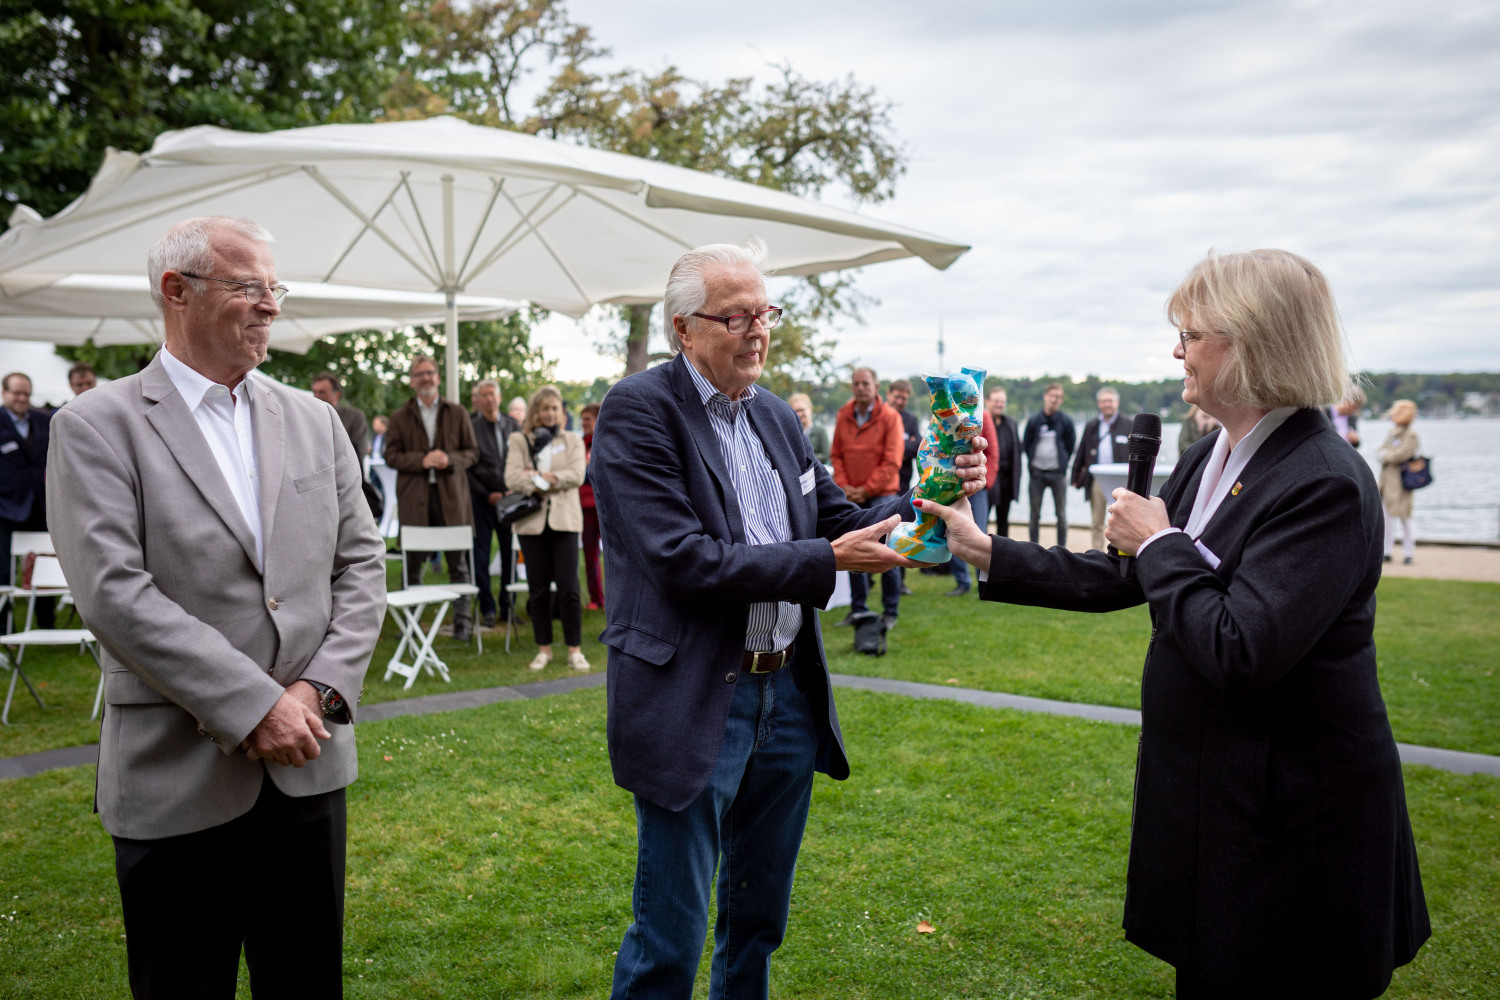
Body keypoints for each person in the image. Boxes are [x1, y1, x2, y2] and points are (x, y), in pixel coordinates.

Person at [920, 248, 1429, 1000]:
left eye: (1189, 333)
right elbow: (1128, 574)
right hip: (1216, 803)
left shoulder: (1323, 478)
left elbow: (1241, 644)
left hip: (1294, 829)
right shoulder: (1210, 453)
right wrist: (987, 550)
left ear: (1250, 341)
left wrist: (1160, 540)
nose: (1176, 350)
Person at [589, 241, 984, 1000]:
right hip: (697, 696)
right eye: (733, 315)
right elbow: (684, 561)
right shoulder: (639, 409)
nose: (756, 329)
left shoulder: (773, 413)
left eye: (764, 311)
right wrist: (826, 561)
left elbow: (839, 518)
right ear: (682, 329)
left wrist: (935, 488)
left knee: (756, 923)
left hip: (786, 698)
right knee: (669, 937)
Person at [45, 216, 387, 999]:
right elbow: (113, 592)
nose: (271, 305)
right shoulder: (96, 426)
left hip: (310, 760)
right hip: (177, 775)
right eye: (249, 288)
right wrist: (252, 704)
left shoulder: (315, 420)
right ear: (176, 292)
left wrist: (316, 693)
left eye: (276, 288)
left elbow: (362, 565)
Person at [384, 354, 479, 642]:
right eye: (419, 374)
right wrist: (421, 460)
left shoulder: (457, 412)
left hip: (452, 500)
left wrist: (448, 459)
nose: (425, 378)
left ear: (437, 377)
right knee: (413, 564)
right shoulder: (400, 417)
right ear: (412, 381)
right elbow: (391, 456)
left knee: (458, 564)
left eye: (430, 373)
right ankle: (411, 623)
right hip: (416, 500)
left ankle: (462, 624)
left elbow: (472, 453)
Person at [505, 385, 589, 672]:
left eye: (555, 408)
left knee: (569, 588)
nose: (550, 413)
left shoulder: (573, 440)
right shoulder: (519, 440)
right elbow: (513, 478)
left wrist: (539, 476)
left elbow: (577, 475)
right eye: (544, 408)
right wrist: (552, 478)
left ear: (561, 412)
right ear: (535, 412)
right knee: (537, 589)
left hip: (564, 521)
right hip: (532, 524)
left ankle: (574, 650)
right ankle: (544, 649)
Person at [831, 366, 905, 629]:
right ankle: (858, 609)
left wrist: (865, 489)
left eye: (865, 383)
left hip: (882, 496)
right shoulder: (843, 414)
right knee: (853, 551)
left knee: (889, 553)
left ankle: (890, 612)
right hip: (851, 494)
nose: (860, 387)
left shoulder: (891, 417)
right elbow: (836, 455)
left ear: (876, 386)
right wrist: (844, 486)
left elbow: (892, 461)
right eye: (856, 383)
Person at [1, 371, 53, 632]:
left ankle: (47, 626)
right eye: (16, 393)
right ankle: (5, 630)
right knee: (3, 572)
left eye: (26, 394)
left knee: (45, 565)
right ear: (4, 393)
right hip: (6, 511)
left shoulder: (44, 421)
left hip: (41, 508)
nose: (22, 398)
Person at [469, 378, 521, 628]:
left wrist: (514, 488)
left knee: (510, 554)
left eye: (493, 394)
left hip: (510, 501)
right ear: (478, 400)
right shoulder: (471, 427)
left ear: (500, 398)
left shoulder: (513, 426)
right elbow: (468, 469)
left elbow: (523, 460)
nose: (489, 398)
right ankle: (487, 609)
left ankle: (508, 607)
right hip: (481, 502)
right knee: (481, 556)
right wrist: (485, 493)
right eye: (484, 395)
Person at [945, 404, 998, 596]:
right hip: (953, 486)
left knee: (980, 533)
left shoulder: (984, 415)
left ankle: (983, 582)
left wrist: (986, 482)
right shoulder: (947, 416)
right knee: (953, 531)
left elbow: (993, 452)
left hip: (978, 487)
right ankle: (962, 582)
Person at [1071, 386, 1126, 550]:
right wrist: (1075, 476)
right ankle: (1097, 552)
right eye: (1103, 401)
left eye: (1110, 401)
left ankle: (1118, 552)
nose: (1107, 404)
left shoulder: (1128, 424)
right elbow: (1082, 450)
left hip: (1121, 480)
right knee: (1097, 521)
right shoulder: (1092, 426)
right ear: (1098, 404)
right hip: (1097, 479)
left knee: (1121, 519)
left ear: (1117, 403)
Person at [1022, 381, 1075, 546]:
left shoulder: (1066, 422)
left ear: (1061, 400)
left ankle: (1061, 550)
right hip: (1037, 473)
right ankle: (1034, 548)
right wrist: (1032, 464)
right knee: (1034, 514)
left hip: (1057, 474)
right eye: (1052, 396)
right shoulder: (1035, 420)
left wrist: (1063, 464)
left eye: (1058, 397)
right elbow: (1027, 443)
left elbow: (1070, 445)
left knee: (1061, 514)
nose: (1054, 399)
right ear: (1046, 397)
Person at [1378, 399, 1421, 565]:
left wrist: (1386, 455)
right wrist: (1387, 454)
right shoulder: (1393, 432)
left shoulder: (1411, 435)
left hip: (1402, 482)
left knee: (1405, 516)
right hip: (1386, 482)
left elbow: (1401, 455)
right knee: (1386, 517)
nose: (1392, 415)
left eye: (1396, 412)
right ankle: (1387, 551)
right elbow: (1381, 450)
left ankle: (1409, 552)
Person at [579, 402, 604, 610]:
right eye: (582, 419)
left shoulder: (604, 441)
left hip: (604, 505)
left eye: (587, 419)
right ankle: (596, 598)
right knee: (590, 554)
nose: (583, 423)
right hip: (584, 506)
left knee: (617, 553)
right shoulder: (578, 445)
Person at [311, 370, 370, 460]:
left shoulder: (354, 417)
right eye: (315, 392)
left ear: (337, 395)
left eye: (322, 392)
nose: (317, 396)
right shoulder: (309, 418)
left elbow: (358, 453)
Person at [987, 386, 1022, 537]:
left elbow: (1017, 452)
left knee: (1004, 520)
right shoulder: (982, 423)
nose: (999, 405)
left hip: (1006, 479)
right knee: (982, 518)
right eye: (996, 401)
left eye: (1002, 402)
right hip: (987, 480)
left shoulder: (1011, 424)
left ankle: (1002, 553)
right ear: (987, 401)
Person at [786, 392, 830, 464]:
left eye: (802, 410)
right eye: (796, 411)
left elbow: (826, 455)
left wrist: (805, 458)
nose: (799, 414)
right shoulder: (789, 433)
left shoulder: (820, 431)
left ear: (810, 409)